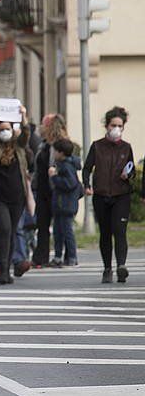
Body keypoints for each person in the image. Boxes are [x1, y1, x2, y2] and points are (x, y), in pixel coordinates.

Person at [82, 106, 139, 283]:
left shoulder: (126, 148)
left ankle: (121, 265)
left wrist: (127, 175)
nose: (116, 129)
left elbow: (132, 171)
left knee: (119, 230)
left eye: (120, 126)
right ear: (107, 126)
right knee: (105, 233)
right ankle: (107, 268)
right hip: (101, 195)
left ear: (123, 127)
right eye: (113, 125)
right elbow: (87, 168)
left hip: (121, 194)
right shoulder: (97, 146)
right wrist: (87, 185)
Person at [0, 107, 34, 285]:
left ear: (13, 130)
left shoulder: (19, 147)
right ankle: (2, 269)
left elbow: (27, 134)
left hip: (17, 197)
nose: (5, 132)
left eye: (8, 129)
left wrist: (24, 117)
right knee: (4, 229)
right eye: (2, 129)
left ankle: (6, 269)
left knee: (11, 232)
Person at [31, 114, 68, 268]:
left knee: (61, 226)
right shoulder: (43, 145)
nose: (41, 127)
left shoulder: (61, 146)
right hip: (42, 190)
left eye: (44, 124)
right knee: (42, 226)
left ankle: (64, 255)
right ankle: (41, 258)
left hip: (55, 190)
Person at [48, 138, 82, 267]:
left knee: (67, 232)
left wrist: (54, 177)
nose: (54, 154)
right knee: (58, 232)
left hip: (66, 205)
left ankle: (71, 257)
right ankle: (58, 257)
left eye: (55, 151)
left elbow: (70, 183)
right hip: (61, 205)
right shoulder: (63, 164)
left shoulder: (66, 165)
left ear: (61, 153)